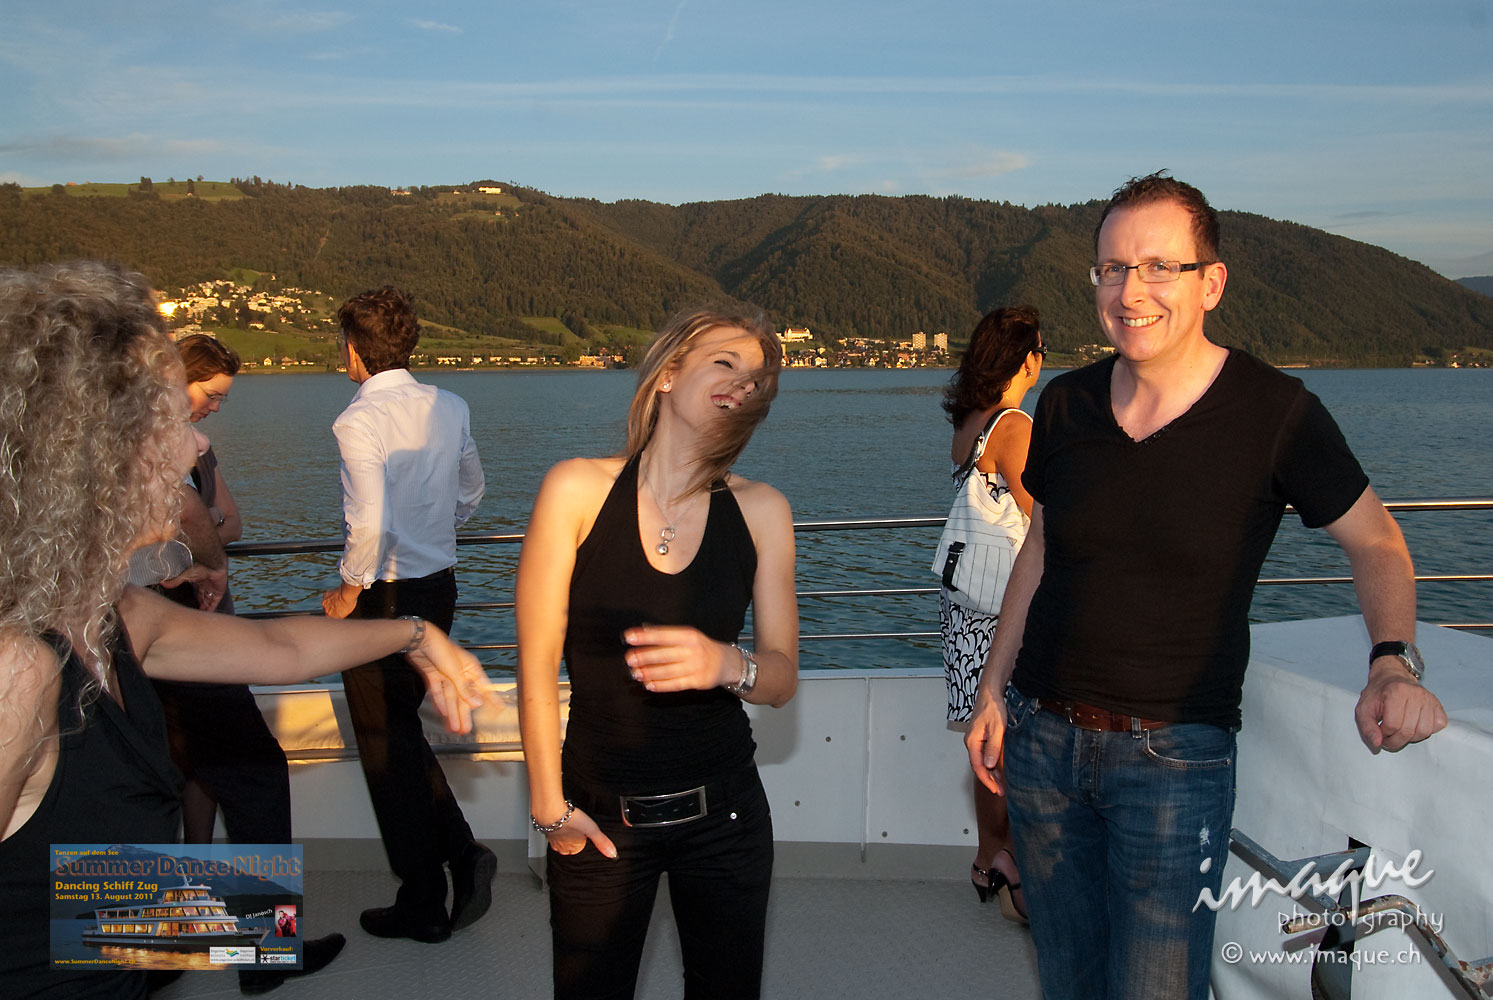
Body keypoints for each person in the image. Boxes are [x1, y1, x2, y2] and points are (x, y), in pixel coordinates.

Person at [963, 173, 1449, 1000]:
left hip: (1172, 758)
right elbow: (1038, 549)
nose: (1130, 291)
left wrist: (1391, 661)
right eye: (1112, 269)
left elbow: (1376, 540)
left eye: (1159, 266)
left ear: (1210, 282)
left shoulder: (1274, 412)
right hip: (1041, 741)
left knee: (1157, 986)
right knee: (1066, 975)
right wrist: (992, 687)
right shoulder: (1067, 403)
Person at [0, 261, 491, 1000]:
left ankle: (258, 951)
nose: (197, 448)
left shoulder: (112, 617)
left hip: (98, 957)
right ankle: (265, 953)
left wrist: (418, 637)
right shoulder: (19, 665)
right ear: (82, 453)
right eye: (168, 422)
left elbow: (279, 648)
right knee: (252, 773)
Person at [516, 309, 799, 1000]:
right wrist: (550, 809)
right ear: (668, 373)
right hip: (598, 818)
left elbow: (781, 676)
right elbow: (535, 664)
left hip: (727, 817)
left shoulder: (763, 510)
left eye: (757, 379)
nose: (744, 384)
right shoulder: (575, 489)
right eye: (726, 363)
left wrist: (728, 665)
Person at [319, 286, 493, 944]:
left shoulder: (357, 420)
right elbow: (472, 489)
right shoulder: (450, 405)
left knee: (384, 746)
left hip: (382, 599)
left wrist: (347, 590)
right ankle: (462, 854)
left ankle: (422, 899)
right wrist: (438, 529)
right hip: (438, 589)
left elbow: (370, 522)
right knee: (402, 734)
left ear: (354, 350)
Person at [937, 306, 1042, 922]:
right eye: (1039, 349)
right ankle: (1019, 865)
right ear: (1026, 359)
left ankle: (986, 858)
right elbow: (1042, 517)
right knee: (1017, 739)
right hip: (1005, 607)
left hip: (965, 606)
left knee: (985, 738)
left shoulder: (969, 423)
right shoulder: (1013, 425)